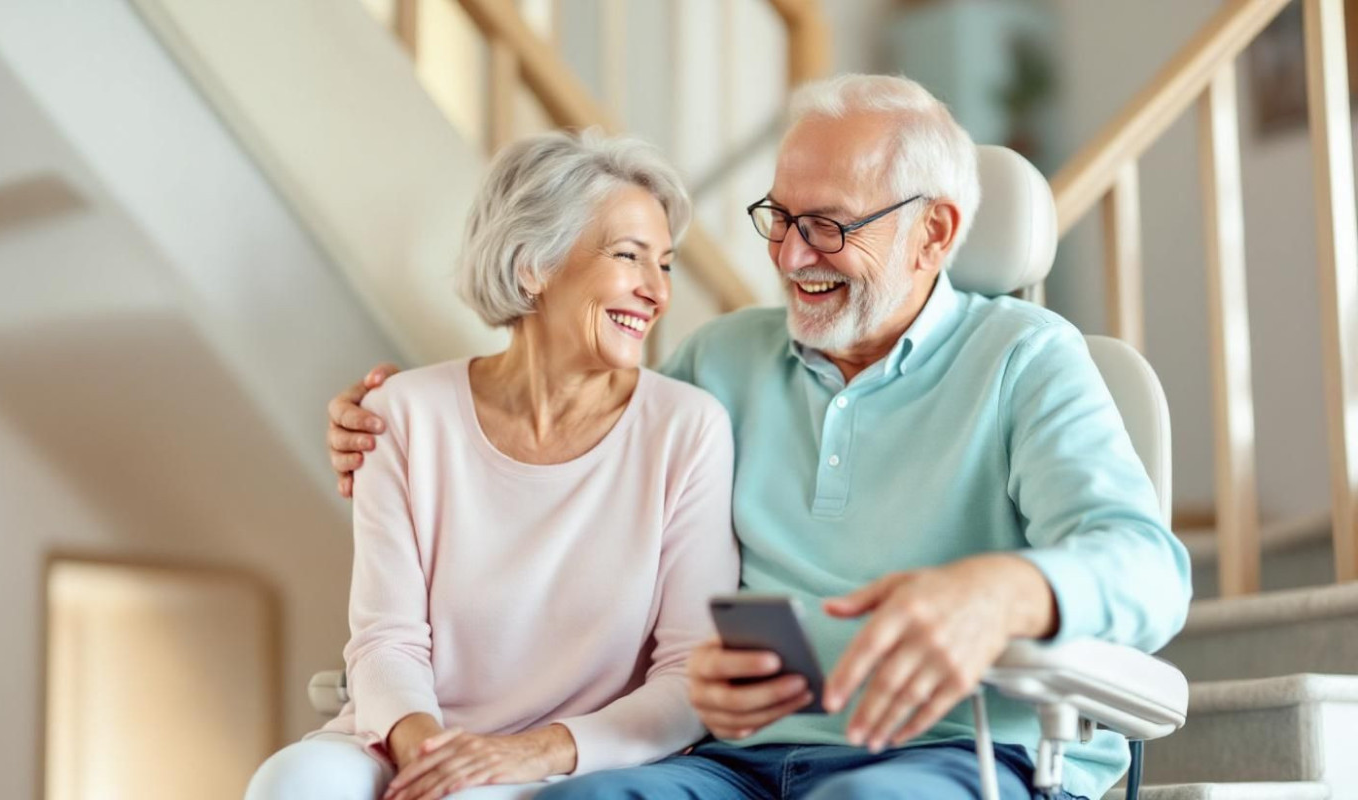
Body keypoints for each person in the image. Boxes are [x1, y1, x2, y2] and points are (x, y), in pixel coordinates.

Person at [327, 75, 1192, 800]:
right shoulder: (720, 361)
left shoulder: (1027, 360)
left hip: (957, 755)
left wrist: (1001, 592)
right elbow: (562, 447)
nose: (789, 256)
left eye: (830, 225)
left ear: (933, 234)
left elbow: (1149, 571)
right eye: (779, 217)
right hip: (731, 764)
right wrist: (387, 428)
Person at [247, 130, 741, 800]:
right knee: (293, 782)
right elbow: (385, 642)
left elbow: (689, 675)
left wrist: (523, 755)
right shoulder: (402, 414)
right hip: (410, 739)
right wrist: (431, 756)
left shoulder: (687, 429)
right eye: (630, 257)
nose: (657, 291)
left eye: (666, 264)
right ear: (532, 265)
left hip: (569, 765)